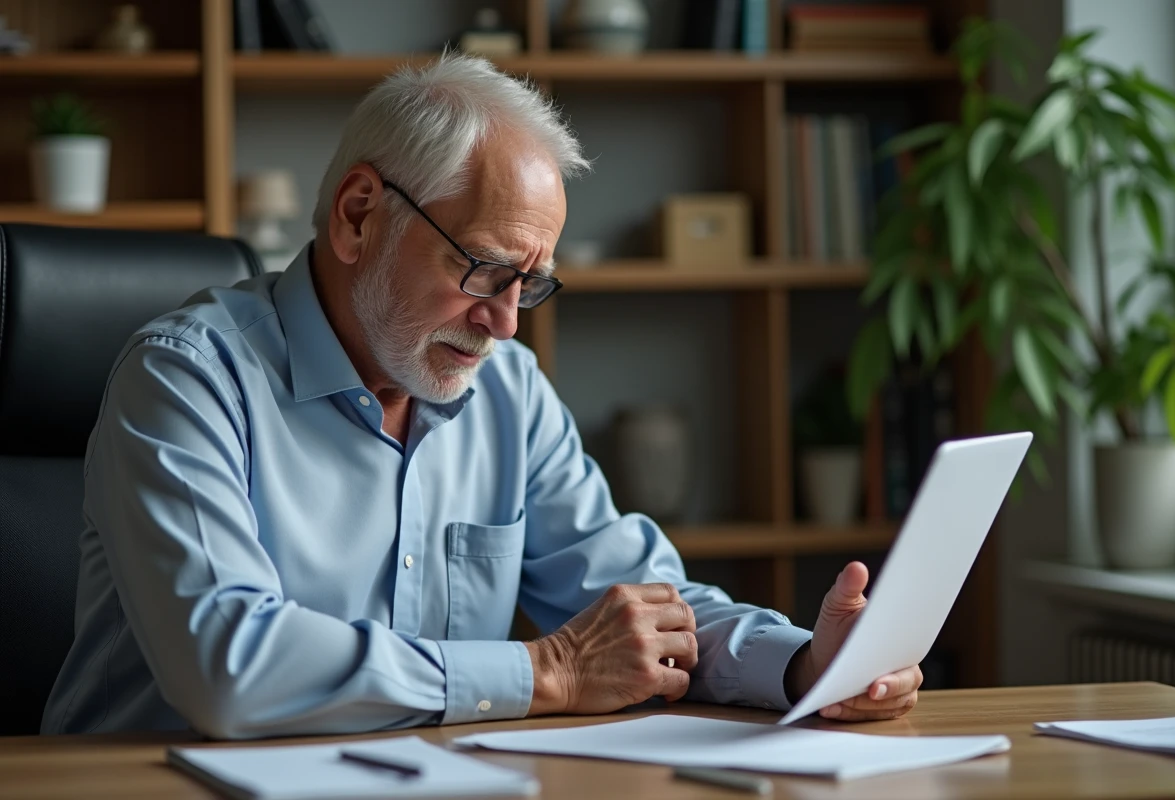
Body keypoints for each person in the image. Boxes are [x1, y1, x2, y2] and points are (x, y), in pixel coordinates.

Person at [42, 53, 921, 739]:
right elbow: (227, 667)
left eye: (530, 284)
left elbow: (643, 602)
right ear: (358, 216)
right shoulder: (184, 379)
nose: (505, 324)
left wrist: (808, 666)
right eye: (484, 270)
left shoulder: (505, 390)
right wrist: (548, 673)